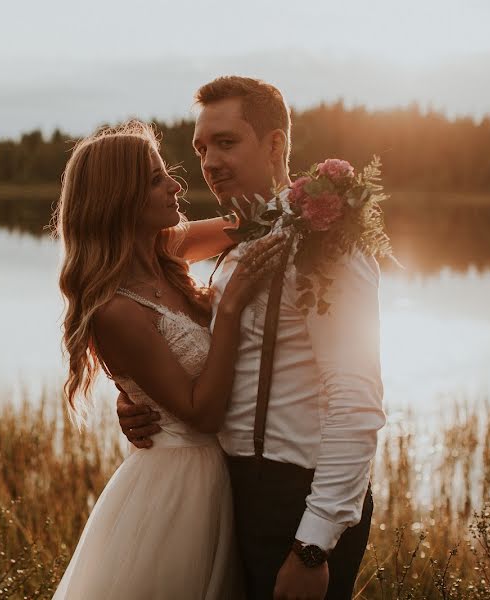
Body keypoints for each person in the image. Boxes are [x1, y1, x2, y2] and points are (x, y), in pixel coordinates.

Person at [117, 77, 385, 600]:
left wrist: (313, 544)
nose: (209, 161)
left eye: (226, 142)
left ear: (276, 144)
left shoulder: (330, 247)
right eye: (200, 148)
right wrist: (138, 397)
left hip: (294, 499)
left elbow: (357, 402)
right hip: (227, 492)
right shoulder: (236, 243)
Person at [52, 119, 287, 599]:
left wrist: (316, 196)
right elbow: (202, 412)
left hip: (220, 475)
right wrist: (232, 308)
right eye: (159, 179)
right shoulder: (115, 310)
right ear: (122, 198)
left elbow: (253, 221)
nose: (177, 184)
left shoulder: (164, 252)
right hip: (180, 491)